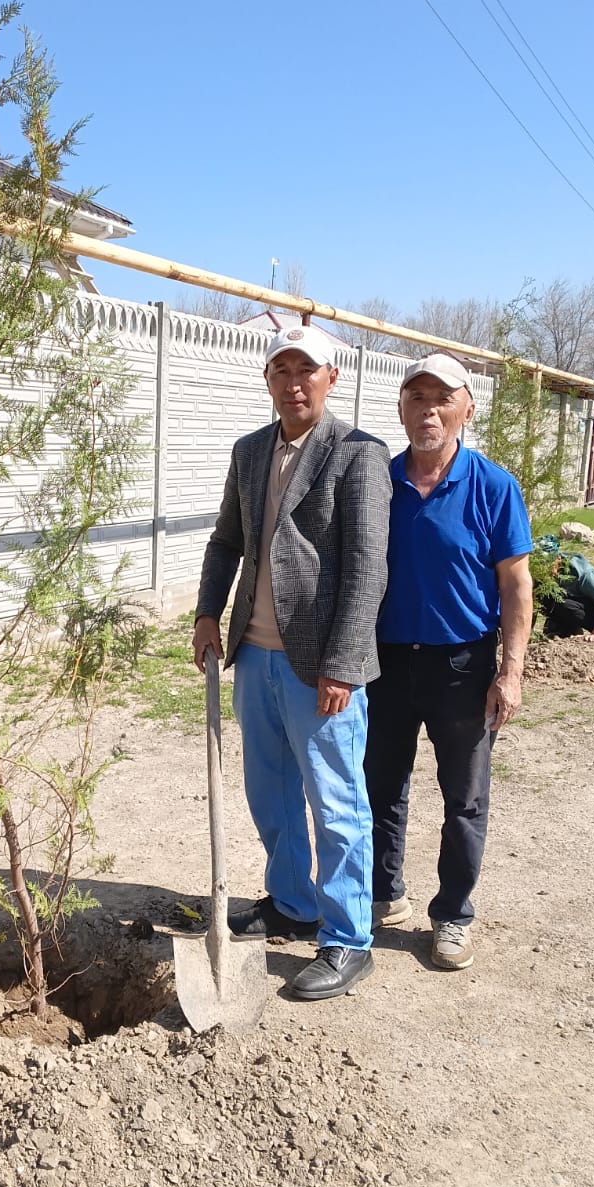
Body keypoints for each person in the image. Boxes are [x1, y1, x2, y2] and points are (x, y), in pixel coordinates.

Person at [192, 326, 391, 1002]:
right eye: (281, 369)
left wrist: (342, 663)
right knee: (270, 794)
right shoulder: (250, 452)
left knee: (336, 804)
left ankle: (347, 938)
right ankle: (292, 902)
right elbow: (225, 543)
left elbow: (367, 569)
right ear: (269, 379)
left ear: (330, 377)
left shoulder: (358, 454)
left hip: (321, 668)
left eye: (306, 369)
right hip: (256, 656)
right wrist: (206, 615)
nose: (293, 382)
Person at [363, 353, 532, 971]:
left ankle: (453, 916)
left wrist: (510, 672)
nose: (428, 409)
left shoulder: (493, 486)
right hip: (384, 663)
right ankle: (385, 893)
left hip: (463, 666)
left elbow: (516, 586)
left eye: (442, 398)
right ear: (400, 408)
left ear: (467, 408)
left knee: (464, 796)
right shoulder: (376, 481)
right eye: (417, 397)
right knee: (381, 785)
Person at [539, 550, 594, 642]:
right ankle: (566, 629)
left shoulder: (585, 576)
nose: (544, 568)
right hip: (578, 601)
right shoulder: (547, 575)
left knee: (563, 604)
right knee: (544, 597)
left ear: (558, 559)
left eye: (547, 564)